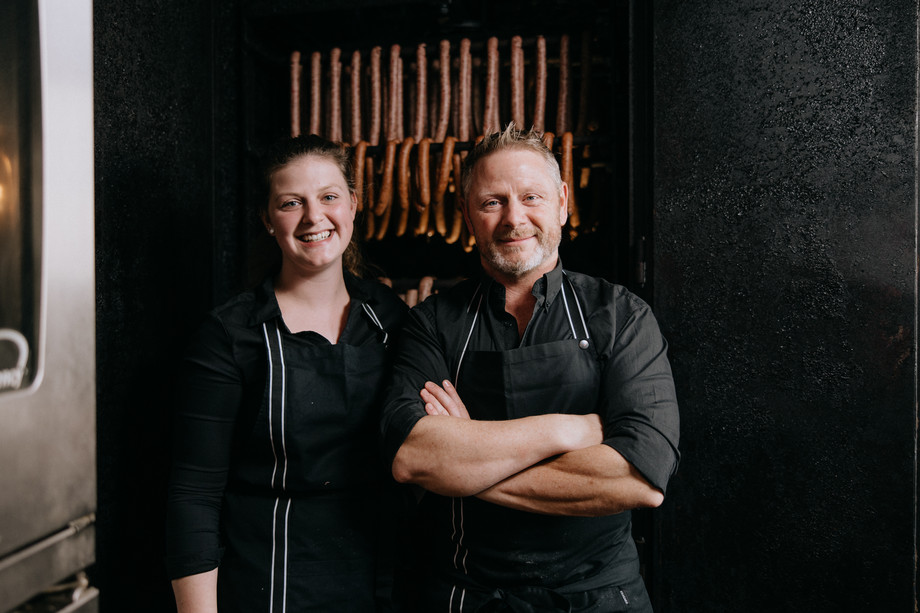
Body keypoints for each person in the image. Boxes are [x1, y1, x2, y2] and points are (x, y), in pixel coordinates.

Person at [380, 125, 680, 612]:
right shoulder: (431, 324)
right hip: (468, 595)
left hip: (599, 596)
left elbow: (638, 480)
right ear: (468, 215)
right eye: (492, 202)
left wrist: (464, 460)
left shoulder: (621, 316)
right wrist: (570, 430)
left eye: (531, 197)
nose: (514, 218)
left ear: (562, 202)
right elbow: (413, 459)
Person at [166, 135, 408, 612]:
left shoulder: (391, 321)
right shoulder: (230, 335)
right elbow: (193, 496)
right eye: (291, 203)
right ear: (268, 219)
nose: (314, 217)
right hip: (269, 583)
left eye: (329, 197)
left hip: (381, 581)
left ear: (354, 206)